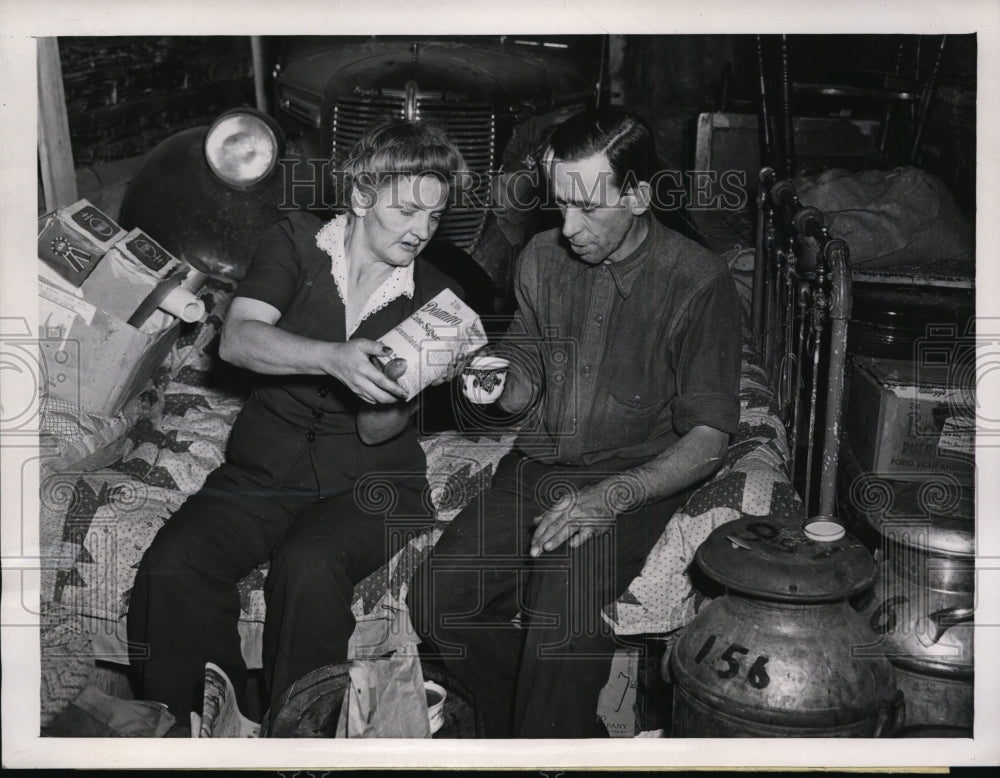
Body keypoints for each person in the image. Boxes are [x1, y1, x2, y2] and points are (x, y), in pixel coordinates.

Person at [406, 107, 743, 737]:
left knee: (561, 611)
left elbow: (708, 441)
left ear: (640, 195)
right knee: (435, 602)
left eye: (588, 207)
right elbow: (528, 371)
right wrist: (497, 385)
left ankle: (545, 736)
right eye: (560, 205)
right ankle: (550, 731)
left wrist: (610, 498)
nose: (569, 227)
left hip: (635, 472)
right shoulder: (540, 256)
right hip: (537, 464)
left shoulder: (699, 282)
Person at [127, 120, 469, 722]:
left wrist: (416, 383)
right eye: (408, 210)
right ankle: (209, 732)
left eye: (434, 218)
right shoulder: (296, 242)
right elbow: (236, 341)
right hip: (264, 467)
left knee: (309, 566)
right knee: (173, 566)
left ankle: (300, 739)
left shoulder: (433, 298)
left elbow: (375, 431)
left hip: (370, 482)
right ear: (363, 195)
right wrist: (332, 358)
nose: (421, 232)